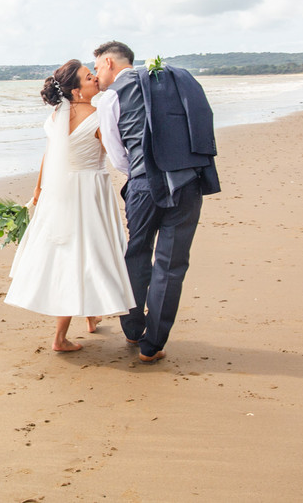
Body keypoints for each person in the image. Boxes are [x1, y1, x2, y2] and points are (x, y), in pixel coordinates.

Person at [93, 41, 220, 364]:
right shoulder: (172, 82)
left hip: (144, 185)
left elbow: (116, 151)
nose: (97, 74)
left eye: (96, 67)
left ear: (108, 62)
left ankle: (134, 329)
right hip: (188, 181)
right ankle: (153, 344)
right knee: (172, 264)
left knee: (137, 253)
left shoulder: (110, 98)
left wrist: (140, 171)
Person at [5, 59, 135, 352]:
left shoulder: (56, 117)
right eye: (89, 78)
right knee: (87, 253)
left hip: (59, 191)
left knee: (76, 251)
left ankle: (90, 316)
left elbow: (49, 156)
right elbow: (116, 154)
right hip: (89, 192)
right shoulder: (99, 115)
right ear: (76, 90)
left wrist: (38, 190)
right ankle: (59, 338)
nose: (96, 80)